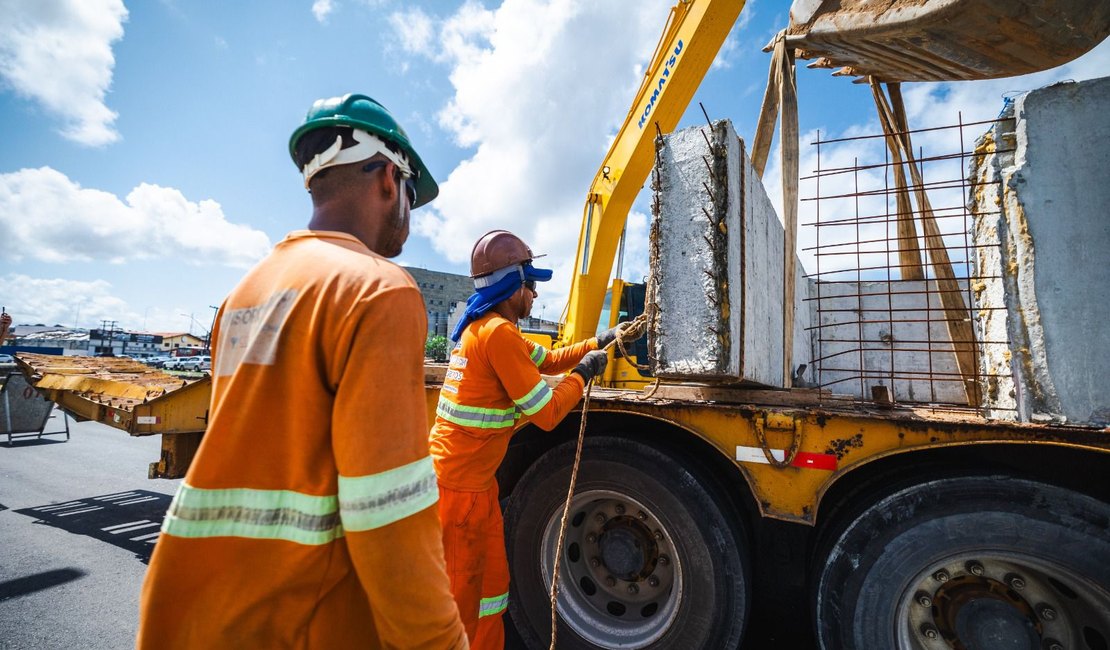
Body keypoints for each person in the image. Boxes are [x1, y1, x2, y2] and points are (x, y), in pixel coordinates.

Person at [137, 94, 468, 649]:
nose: (410, 217)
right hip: (298, 622)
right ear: (390, 179)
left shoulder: (244, 293)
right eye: (412, 194)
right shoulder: (378, 289)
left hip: (192, 613)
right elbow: (388, 511)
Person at [428, 230, 640, 649]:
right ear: (512, 285)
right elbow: (546, 413)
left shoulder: (485, 328)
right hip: (459, 495)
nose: (536, 295)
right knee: (460, 599)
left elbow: (550, 358)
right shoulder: (498, 336)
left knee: (490, 593)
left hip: (474, 487)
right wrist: (584, 375)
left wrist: (599, 341)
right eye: (531, 285)